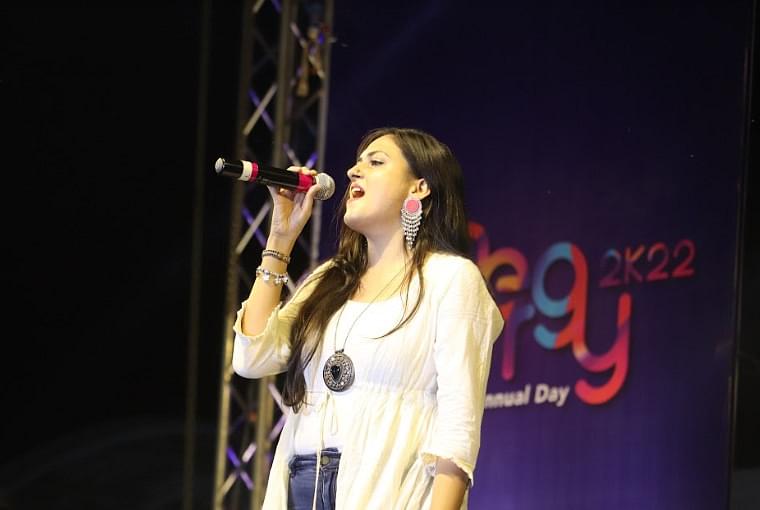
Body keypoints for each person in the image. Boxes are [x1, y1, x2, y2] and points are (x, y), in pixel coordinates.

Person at [232, 127, 504, 510]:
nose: (352, 172)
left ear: (419, 188)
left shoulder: (450, 279)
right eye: (357, 163)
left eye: (375, 162)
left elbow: (458, 424)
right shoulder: (330, 280)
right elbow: (251, 358)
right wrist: (280, 240)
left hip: (384, 489)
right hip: (300, 485)